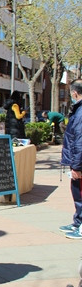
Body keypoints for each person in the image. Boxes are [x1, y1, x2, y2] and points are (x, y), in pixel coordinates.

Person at [60, 79, 82, 240]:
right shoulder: (78, 110)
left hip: (79, 163)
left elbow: (80, 140)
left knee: (80, 193)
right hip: (76, 160)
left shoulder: (80, 112)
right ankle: (77, 222)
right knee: (77, 193)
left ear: (75, 93)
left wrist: (77, 166)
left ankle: (80, 226)